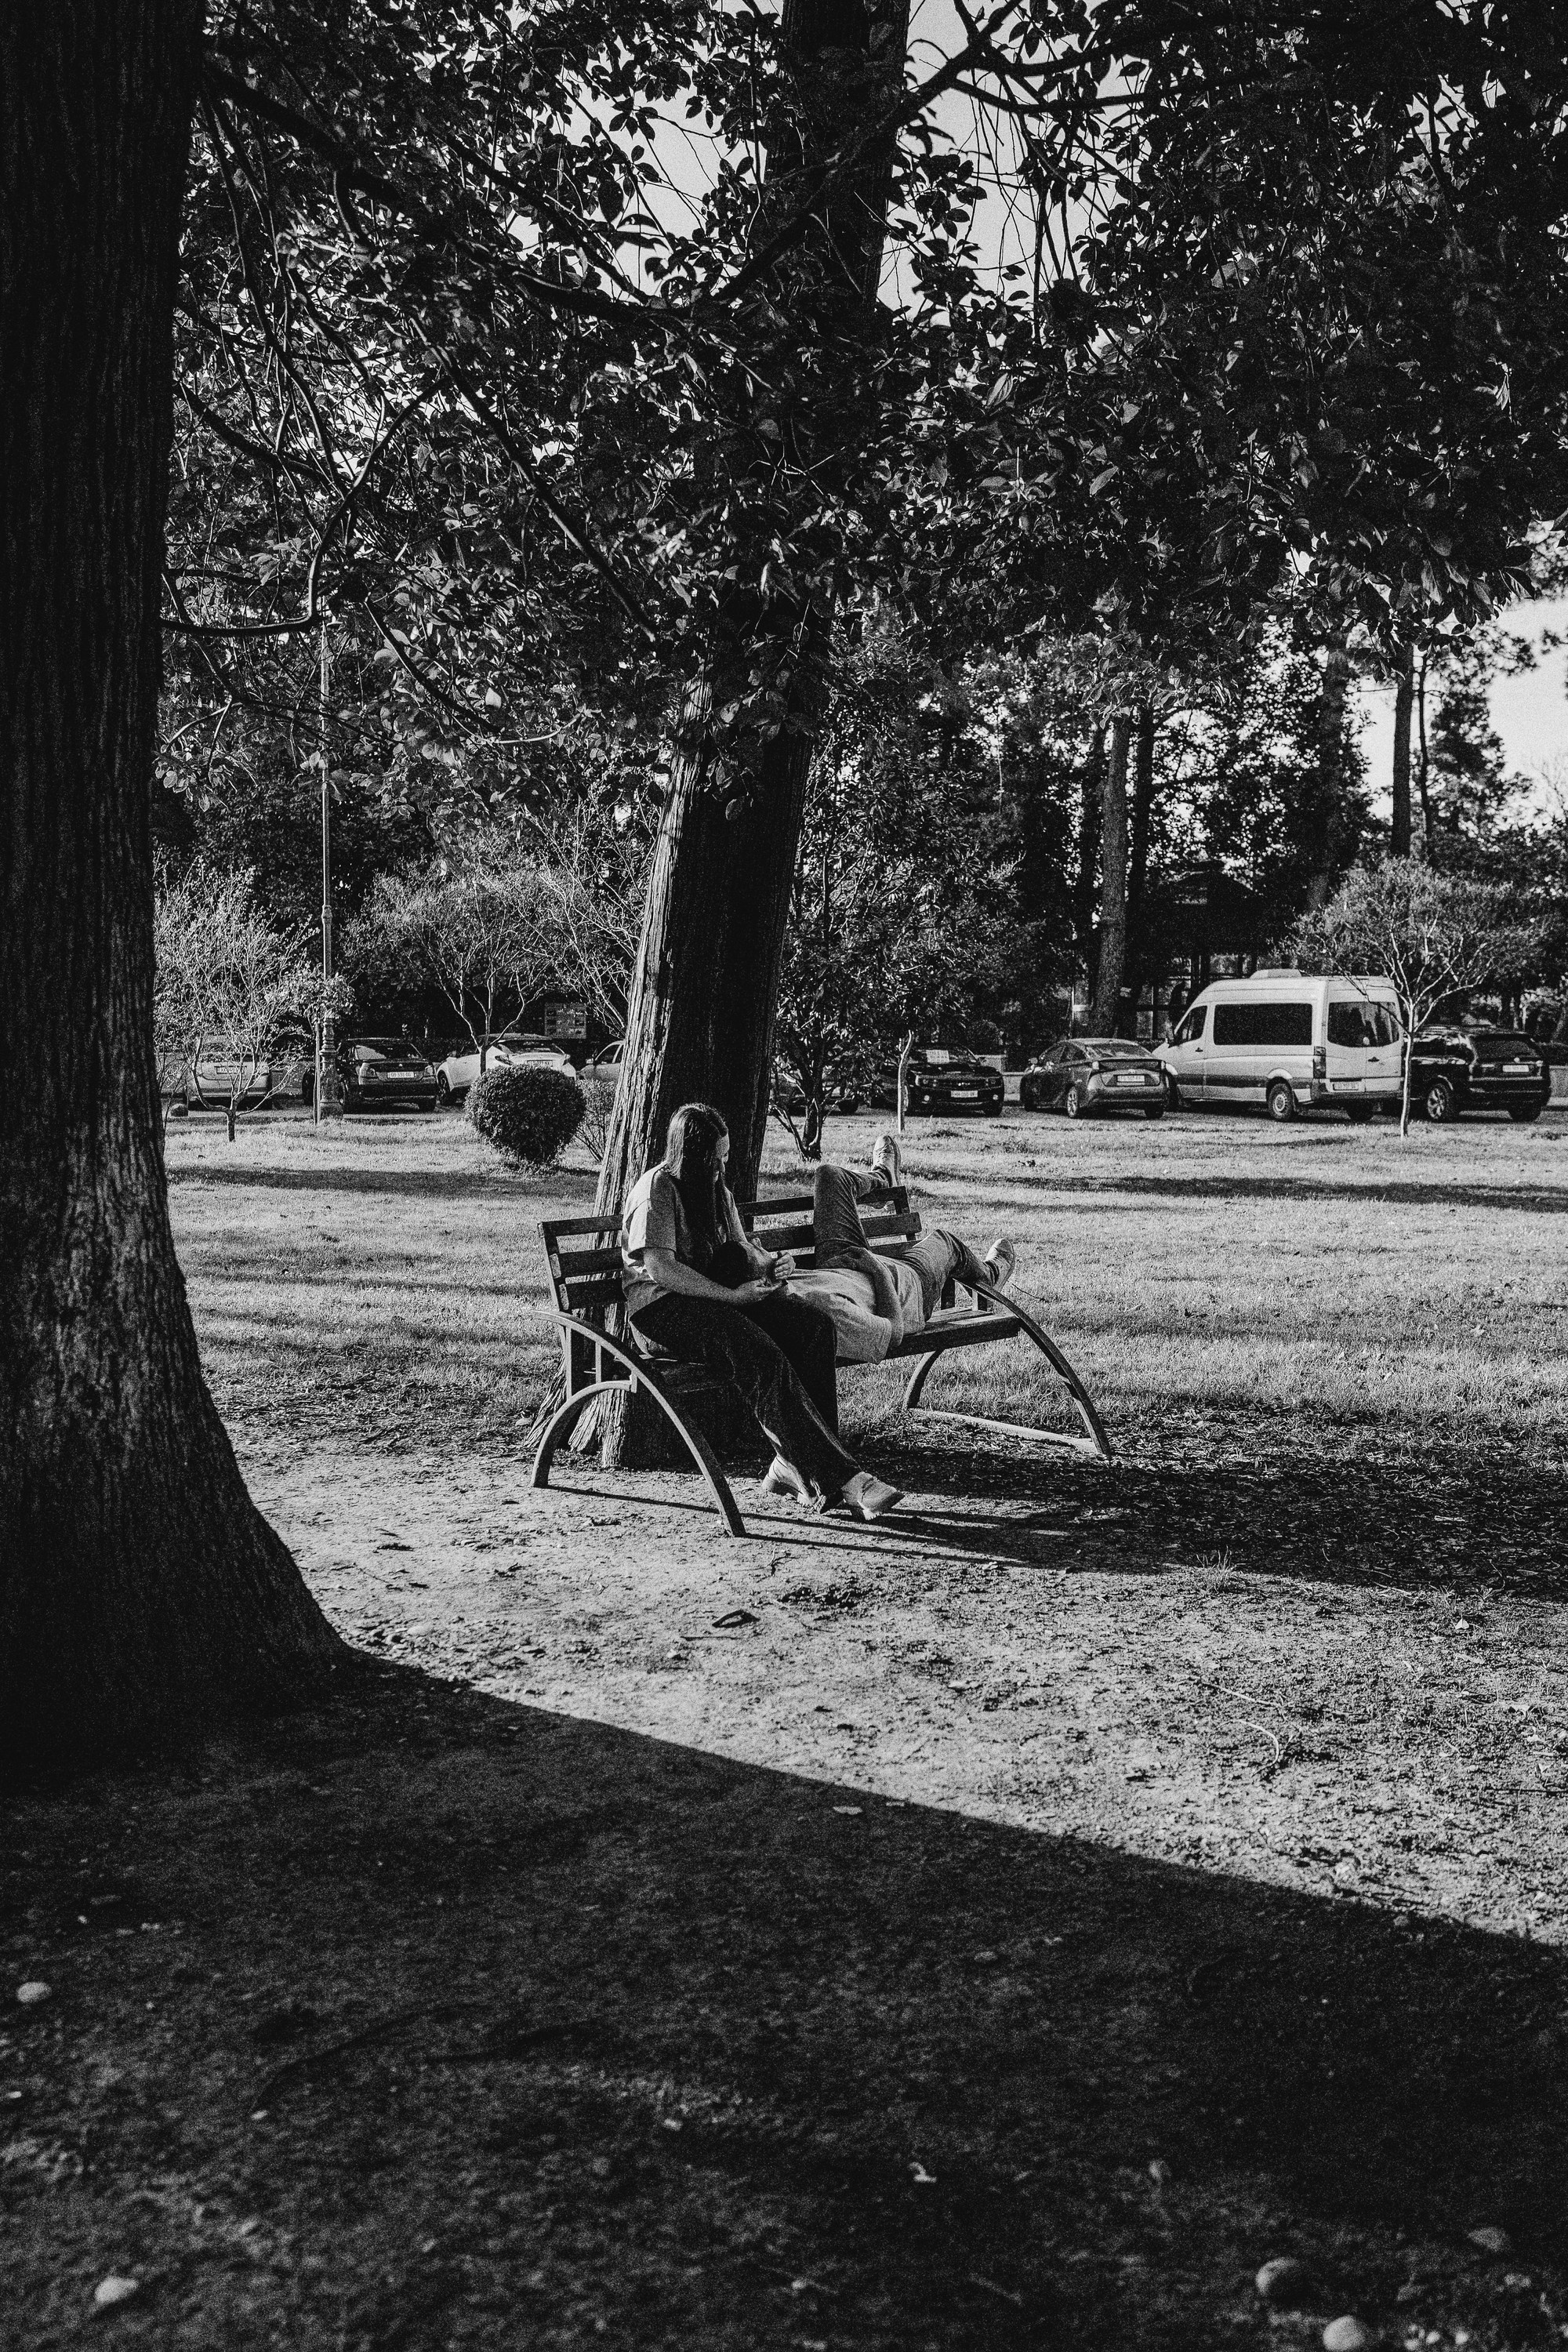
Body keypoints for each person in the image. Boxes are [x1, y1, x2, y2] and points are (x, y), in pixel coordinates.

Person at [622, 1103, 902, 1519]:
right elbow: (662, 1269)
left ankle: (795, 1464)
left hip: (716, 1299)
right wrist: (730, 1296)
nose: (722, 1168)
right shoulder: (657, 1190)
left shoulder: (717, 1190)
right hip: (663, 1311)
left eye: (725, 1157)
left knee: (812, 1327)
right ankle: (843, 1478)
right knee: (757, 1351)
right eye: (715, 1160)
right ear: (690, 1157)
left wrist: (772, 1264)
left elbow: (741, 1248)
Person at [787, 1133, 1015, 1363]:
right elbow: (894, 1333)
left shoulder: (772, 1288)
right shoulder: (827, 1311)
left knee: (829, 1175)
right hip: (907, 1291)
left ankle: (884, 1178)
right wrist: (878, 1270)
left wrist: (783, 1265)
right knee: (945, 1242)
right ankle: (989, 1278)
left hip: (839, 1265)